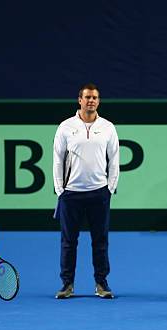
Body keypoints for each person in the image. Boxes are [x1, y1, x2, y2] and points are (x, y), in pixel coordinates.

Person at [53, 83, 120, 299]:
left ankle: (101, 283)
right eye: (87, 97)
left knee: (100, 241)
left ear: (98, 101)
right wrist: (60, 189)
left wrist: (110, 187)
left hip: (99, 193)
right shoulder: (65, 127)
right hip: (70, 194)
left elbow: (115, 159)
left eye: (95, 97)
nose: (91, 101)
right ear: (79, 100)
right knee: (68, 241)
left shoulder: (108, 127)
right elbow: (57, 159)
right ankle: (67, 285)